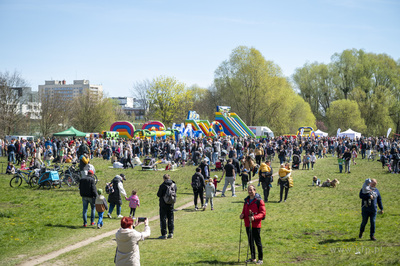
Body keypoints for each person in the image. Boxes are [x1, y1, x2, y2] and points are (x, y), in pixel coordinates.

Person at [239, 185, 266, 265]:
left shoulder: (259, 201)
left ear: (255, 190)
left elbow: (263, 213)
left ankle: (260, 259)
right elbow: (244, 211)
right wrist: (242, 215)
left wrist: (255, 218)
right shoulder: (246, 200)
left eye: (251, 190)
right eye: (248, 190)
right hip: (247, 224)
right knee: (250, 241)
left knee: (257, 242)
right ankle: (253, 258)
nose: (249, 191)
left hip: (256, 225)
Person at [157, 174, 177, 239]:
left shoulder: (163, 185)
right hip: (171, 203)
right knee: (171, 218)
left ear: (164, 178)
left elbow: (159, 194)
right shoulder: (174, 185)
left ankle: (164, 234)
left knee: (163, 219)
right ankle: (171, 233)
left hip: (163, 204)